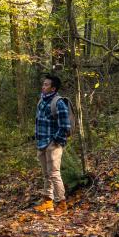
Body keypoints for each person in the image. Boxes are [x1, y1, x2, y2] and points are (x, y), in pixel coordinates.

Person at [34, 75, 71, 214]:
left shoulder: (58, 102)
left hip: (53, 144)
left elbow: (65, 126)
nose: (43, 86)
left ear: (53, 88)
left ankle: (62, 204)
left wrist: (54, 141)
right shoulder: (41, 101)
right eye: (43, 84)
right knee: (46, 175)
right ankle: (47, 202)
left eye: (46, 85)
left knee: (54, 174)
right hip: (41, 143)